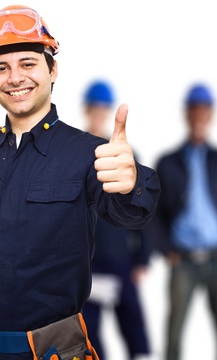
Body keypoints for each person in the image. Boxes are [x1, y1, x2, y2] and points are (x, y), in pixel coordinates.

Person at [0, 5, 160, 360]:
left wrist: (132, 181)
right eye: (1, 68)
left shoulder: (89, 154)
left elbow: (131, 212)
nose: (14, 78)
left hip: (47, 351)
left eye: (27, 63)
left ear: (52, 69)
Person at [146, 83, 217, 360]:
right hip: (183, 260)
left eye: (204, 112)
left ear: (211, 116)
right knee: (174, 331)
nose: (199, 118)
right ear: (186, 115)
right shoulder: (168, 163)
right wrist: (166, 250)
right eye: (194, 112)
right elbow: (155, 214)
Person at [82, 80, 153, 360]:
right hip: (88, 261)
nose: (98, 115)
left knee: (135, 330)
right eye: (94, 109)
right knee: (88, 334)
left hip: (122, 259)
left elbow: (145, 208)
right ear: (87, 110)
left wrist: (143, 258)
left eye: (103, 110)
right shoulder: (77, 155)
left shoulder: (127, 157)